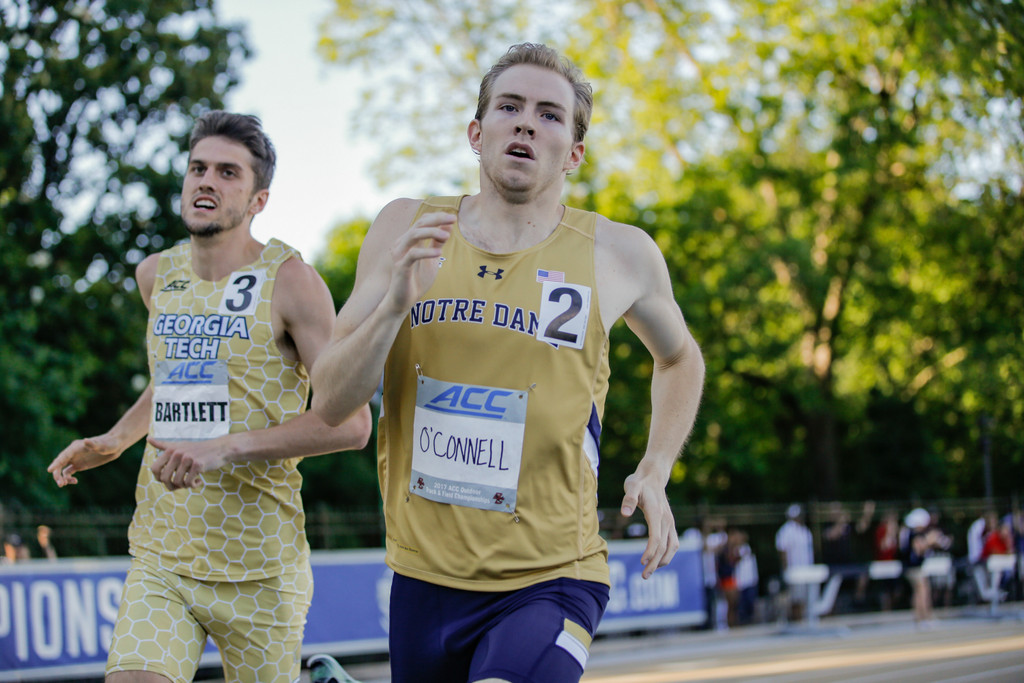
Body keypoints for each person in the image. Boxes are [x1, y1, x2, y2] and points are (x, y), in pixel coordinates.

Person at [308, 43, 705, 683]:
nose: (525, 122)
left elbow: (680, 357)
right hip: (422, 582)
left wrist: (656, 467)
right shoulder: (406, 230)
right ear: (477, 131)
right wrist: (392, 311)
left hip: (553, 577)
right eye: (509, 107)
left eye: (549, 115)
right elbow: (328, 403)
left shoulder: (619, 254)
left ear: (574, 152)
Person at [47, 111, 372, 683]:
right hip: (163, 551)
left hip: (260, 565)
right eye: (198, 168)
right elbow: (180, 376)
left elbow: (350, 424)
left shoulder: (291, 280)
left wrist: (226, 448)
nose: (206, 181)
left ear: (257, 200)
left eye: (227, 173)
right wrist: (119, 437)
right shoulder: (157, 275)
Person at [775, 503, 814, 621]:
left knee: (805, 598)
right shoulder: (786, 530)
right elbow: (782, 550)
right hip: (795, 570)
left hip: (807, 569)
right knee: (796, 599)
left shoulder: (804, 530)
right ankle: (796, 621)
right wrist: (786, 568)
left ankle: (803, 620)